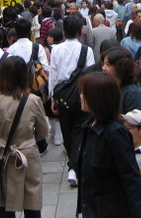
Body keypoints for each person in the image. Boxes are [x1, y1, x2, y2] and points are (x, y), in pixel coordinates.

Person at [76, 72, 141, 218]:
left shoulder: (115, 133)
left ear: (96, 98)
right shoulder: (89, 126)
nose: (80, 96)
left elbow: (131, 179)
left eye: (84, 92)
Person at [0, 56, 48, 218]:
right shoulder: (33, 100)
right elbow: (43, 131)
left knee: (3, 204)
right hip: (26, 153)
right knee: (32, 201)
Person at [48, 14, 95, 187]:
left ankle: (73, 165)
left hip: (62, 96)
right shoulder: (86, 51)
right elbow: (90, 75)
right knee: (80, 131)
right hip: (81, 96)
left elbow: (53, 75)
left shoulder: (56, 50)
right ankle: (75, 166)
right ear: (78, 32)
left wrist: (52, 97)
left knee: (67, 131)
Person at [102, 46, 141, 113]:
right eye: (103, 64)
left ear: (120, 66)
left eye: (108, 64)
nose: (104, 68)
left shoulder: (131, 93)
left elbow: (133, 121)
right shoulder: (109, 87)